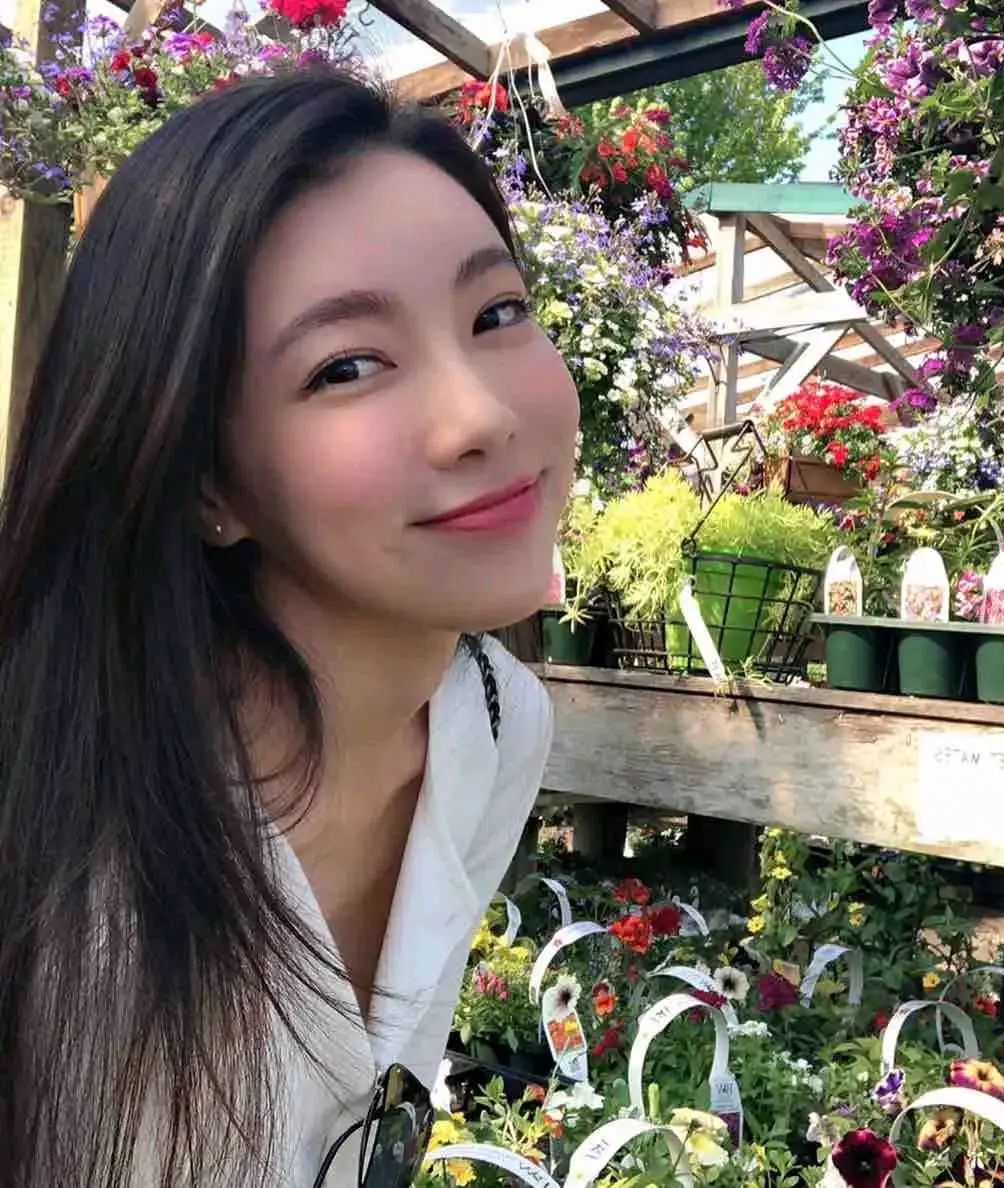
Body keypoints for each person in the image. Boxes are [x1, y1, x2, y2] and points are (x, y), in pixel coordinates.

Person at [0, 67, 579, 1186]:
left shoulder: (496, 730)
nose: (481, 415)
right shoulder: (60, 830)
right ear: (205, 479)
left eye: (498, 313)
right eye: (346, 366)